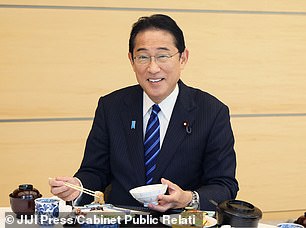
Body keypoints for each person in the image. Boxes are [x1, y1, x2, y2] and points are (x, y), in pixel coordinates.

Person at [49, 14, 238, 212]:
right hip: (122, 222)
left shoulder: (211, 112)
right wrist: (78, 188)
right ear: (131, 60)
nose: (153, 68)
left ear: (183, 58)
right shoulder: (111, 106)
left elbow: (224, 185)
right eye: (143, 57)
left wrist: (187, 199)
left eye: (163, 56)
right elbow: (95, 171)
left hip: (181, 223)